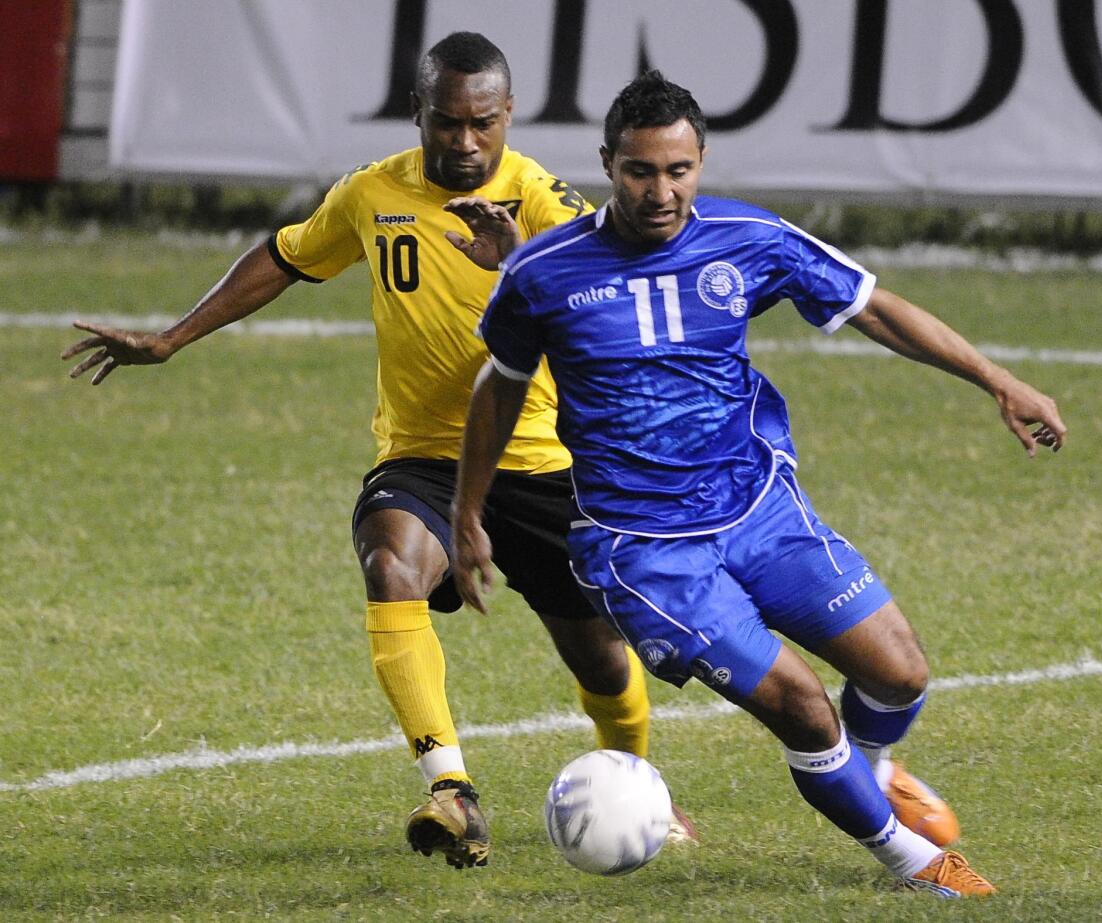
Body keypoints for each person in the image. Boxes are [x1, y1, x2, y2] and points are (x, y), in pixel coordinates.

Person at [61, 33, 694, 871]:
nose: (465, 143)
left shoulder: (545, 202)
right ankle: (451, 786)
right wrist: (173, 338)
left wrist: (521, 265)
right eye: (446, 123)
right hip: (425, 455)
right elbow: (287, 256)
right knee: (392, 563)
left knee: (601, 656)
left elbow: (605, 305)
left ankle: (642, 782)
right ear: (419, 114)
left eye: (482, 124)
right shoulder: (372, 193)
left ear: (509, 114)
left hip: (542, 462)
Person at [451, 70, 1067, 897]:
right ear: (608, 164)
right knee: (805, 706)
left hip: (759, 509)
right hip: (648, 553)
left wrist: (997, 378)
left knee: (900, 673)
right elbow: (502, 385)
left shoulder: (749, 238)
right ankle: (915, 862)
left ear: (701, 161)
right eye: (640, 170)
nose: (660, 190)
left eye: (678, 170)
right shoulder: (545, 272)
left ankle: (872, 770)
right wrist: (466, 511)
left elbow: (875, 307)